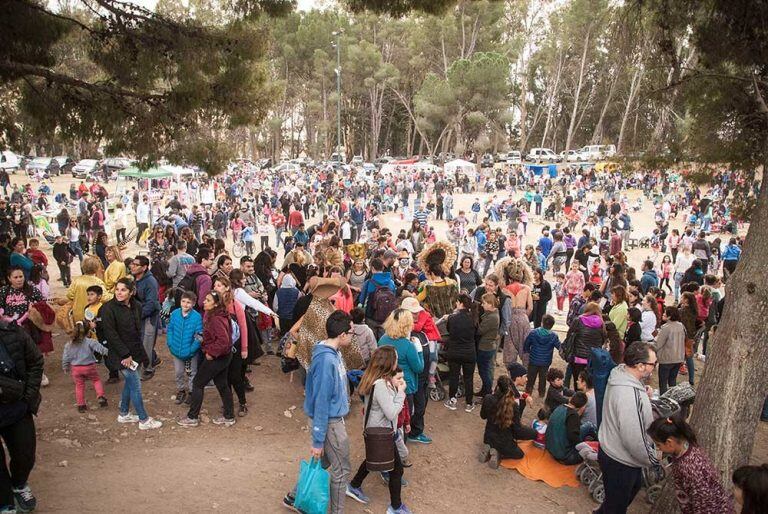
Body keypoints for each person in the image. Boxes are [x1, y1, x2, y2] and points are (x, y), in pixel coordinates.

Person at [283, 311, 354, 514]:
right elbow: (321, 402)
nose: (352, 336)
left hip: (332, 419)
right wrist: (317, 440)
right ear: (342, 335)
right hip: (331, 422)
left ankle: (294, 496)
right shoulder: (326, 361)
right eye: (351, 332)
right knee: (341, 469)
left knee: (324, 460)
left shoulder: (332, 353)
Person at [595, 342, 659, 514]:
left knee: (622, 496)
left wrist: (642, 392)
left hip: (611, 450)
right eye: (653, 364)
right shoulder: (630, 396)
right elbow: (634, 439)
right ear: (640, 366)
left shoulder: (619, 374)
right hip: (621, 460)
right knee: (616, 507)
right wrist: (654, 459)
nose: (654, 368)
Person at [346, 346, 411, 514]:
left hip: (377, 431)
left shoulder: (376, 379)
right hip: (382, 433)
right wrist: (401, 393)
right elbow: (390, 413)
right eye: (395, 358)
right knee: (397, 469)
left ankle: (354, 485)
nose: (397, 361)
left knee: (372, 460)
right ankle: (395, 507)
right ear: (389, 362)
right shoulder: (381, 384)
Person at [99, 277, 162, 431]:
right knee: (136, 385)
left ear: (131, 292)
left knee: (130, 383)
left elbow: (135, 332)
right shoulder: (107, 309)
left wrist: (141, 355)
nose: (119, 293)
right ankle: (144, 419)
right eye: (117, 289)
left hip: (134, 352)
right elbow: (111, 335)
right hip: (121, 355)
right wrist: (125, 354)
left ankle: (124, 413)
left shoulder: (137, 306)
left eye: (123, 290)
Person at [646, 416, 733, 514]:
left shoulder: (692, 470)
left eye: (658, 445)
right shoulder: (685, 448)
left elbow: (703, 506)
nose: (658, 449)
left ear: (669, 442)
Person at [0, 320, 43, 513]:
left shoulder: (14, 332)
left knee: (25, 455)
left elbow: (35, 361)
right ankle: (5, 502)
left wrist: (27, 397)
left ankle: (19, 484)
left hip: (16, 407)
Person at [177, 291, 236, 427]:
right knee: (222, 384)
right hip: (225, 355)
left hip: (217, 357)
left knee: (198, 383)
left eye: (208, 300)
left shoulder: (215, 318)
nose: (204, 302)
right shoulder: (220, 314)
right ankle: (229, 416)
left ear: (215, 304)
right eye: (205, 299)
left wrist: (211, 352)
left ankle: (192, 418)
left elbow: (223, 340)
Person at [478, 370, 536, 467]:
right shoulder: (513, 405)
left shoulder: (488, 398)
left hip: (488, 437)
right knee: (519, 454)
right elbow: (518, 431)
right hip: (504, 442)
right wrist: (534, 433)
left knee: (497, 439)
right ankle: (498, 453)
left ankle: (490, 448)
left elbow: (483, 416)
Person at [62, 306, 109, 412]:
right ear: (88, 331)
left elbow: (66, 357)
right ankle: (100, 396)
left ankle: (81, 405)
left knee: (79, 385)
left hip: (76, 369)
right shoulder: (90, 342)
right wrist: (110, 353)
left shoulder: (69, 344)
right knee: (96, 380)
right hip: (89, 366)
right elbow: (101, 349)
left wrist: (65, 367)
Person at [378, 308, 423, 416]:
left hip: (387, 383)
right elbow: (419, 368)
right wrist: (420, 350)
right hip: (404, 386)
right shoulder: (409, 346)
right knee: (405, 418)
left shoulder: (383, 339)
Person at [166, 291, 204, 406]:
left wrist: (192, 350)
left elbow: (199, 335)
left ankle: (192, 392)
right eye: (183, 301)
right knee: (178, 372)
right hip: (176, 349)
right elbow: (170, 329)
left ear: (193, 304)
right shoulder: (175, 314)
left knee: (193, 372)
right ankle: (181, 390)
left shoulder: (197, 317)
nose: (185, 304)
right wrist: (170, 343)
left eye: (189, 302)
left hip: (191, 351)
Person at [129, 255, 161, 380]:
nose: (132, 266)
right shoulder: (134, 278)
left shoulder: (151, 282)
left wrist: (137, 316)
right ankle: (154, 358)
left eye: (136, 265)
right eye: (132, 263)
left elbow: (151, 304)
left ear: (144, 267)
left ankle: (148, 369)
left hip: (149, 316)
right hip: (138, 314)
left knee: (147, 341)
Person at [444, 294, 478, 412]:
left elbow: (449, 330)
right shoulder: (473, 318)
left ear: (460, 303)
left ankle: (452, 400)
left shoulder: (452, 318)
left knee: (454, 376)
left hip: (454, 352)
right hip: (469, 352)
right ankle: (469, 403)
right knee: (469, 378)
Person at [545, 391, 588, 465]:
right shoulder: (573, 415)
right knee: (589, 427)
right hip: (564, 455)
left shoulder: (559, 407)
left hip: (550, 447)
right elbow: (573, 437)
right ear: (582, 406)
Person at [523, 314, 560, 397]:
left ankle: (528, 392)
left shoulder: (533, 333)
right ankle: (541, 393)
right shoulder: (554, 336)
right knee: (543, 379)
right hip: (545, 362)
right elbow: (559, 346)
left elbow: (526, 344)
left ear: (542, 323)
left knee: (530, 378)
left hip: (533, 360)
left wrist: (527, 351)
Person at [655, 306, 686, 394]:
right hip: (678, 358)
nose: (663, 314)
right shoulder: (681, 326)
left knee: (663, 382)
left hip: (666, 359)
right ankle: (672, 399)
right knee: (672, 381)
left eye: (665, 313)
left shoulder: (666, 327)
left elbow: (659, 344)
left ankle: (664, 400)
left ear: (669, 316)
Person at [476, 293, 500, 397]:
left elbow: (480, 331)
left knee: (484, 372)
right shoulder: (492, 314)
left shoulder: (492, 317)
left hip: (485, 347)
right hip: (488, 346)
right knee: (484, 371)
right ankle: (484, 391)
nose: (482, 305)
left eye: (484, 303)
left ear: (490, 304)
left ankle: (488, 393)